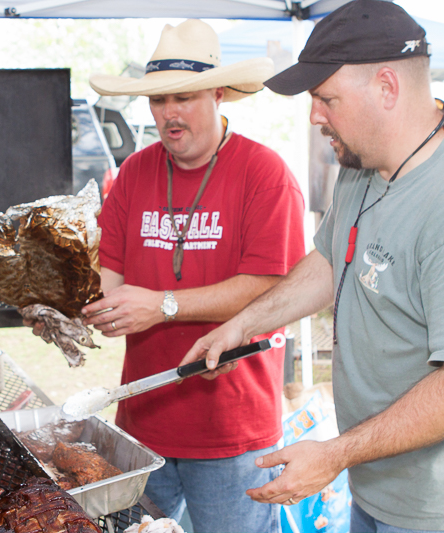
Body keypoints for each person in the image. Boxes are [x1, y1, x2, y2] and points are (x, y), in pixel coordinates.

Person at [181, 1, 444, 532]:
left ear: (387, 88)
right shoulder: (362, 164)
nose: (315, 115)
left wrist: (337, 453)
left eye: (326, 99)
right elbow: (328, 261)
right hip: (379, 488)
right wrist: (243, 325)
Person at [49, 19, 304, 533]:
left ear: (218, 94)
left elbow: (271, 287)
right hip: (142, 426)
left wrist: (165, 304)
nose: (169, 114)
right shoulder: (133, 174)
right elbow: (110, 283)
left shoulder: (264, 173)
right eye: (158, 101)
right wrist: (66, 307)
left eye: (182, 97)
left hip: (232, 431)